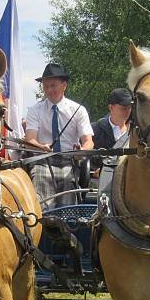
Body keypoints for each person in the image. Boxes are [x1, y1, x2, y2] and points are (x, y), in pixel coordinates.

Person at [24, 63, 94, 207]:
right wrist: (40, 147)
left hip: (69, 162)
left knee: (69, 181)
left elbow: (88, 141)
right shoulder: (34, 110)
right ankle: (40, 219)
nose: (49, 90)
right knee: (39, 177)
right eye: (46, 86)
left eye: (53, 85)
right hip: (42, 160)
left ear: (64, 85)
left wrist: (80, 152)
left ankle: (67, 222)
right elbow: (30, 139)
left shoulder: (78, 110)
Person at [91, 88, 132, 173]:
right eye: (123, 108)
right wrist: (96, 169)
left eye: (129, 107)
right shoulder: (95, 130)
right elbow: (87, 159)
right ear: (111, 107)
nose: (127, 111)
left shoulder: (135, 133)